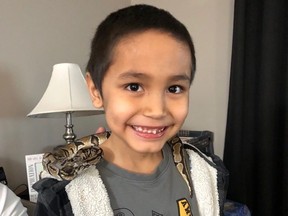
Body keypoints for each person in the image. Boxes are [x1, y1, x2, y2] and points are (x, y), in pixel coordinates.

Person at [33, 4, 228, 216]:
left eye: (174, 88)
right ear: (95, 91)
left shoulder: (208, 173)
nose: (156, 110)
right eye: (134, 86)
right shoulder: (60, 197)